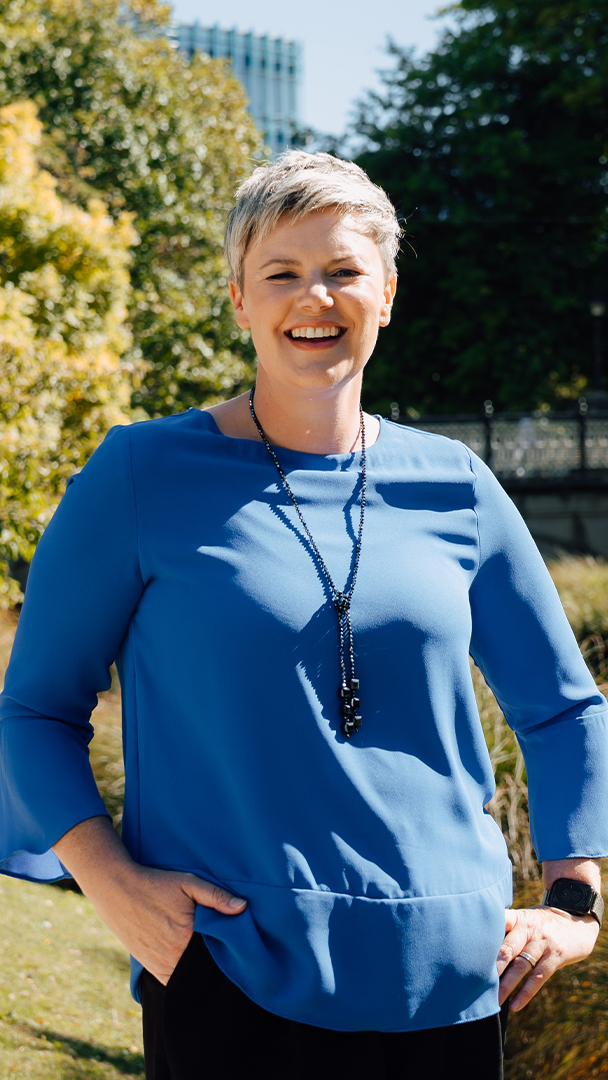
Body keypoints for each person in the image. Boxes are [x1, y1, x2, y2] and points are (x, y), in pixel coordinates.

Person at [1, 151, 607, 1080]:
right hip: (228, 975)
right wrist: (110, 883)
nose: (312, 298)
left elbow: (564, 707)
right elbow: (36, 709)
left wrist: (575, 897)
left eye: (342, 271)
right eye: (281, 273)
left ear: (388, 294)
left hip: (452, 983)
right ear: (240, 301)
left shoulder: (459, 486)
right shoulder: (141, 476)